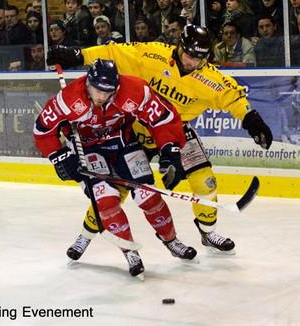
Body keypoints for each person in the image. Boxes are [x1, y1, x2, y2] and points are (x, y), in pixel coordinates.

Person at [46, 24, 273, 257]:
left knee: (205, 180)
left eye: (199, 58)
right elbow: (115, 53)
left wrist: (251, 119)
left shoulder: (210, 79)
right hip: (136, 130)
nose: (192, 62)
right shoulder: (153, 54)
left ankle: (208, 231)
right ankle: (86, 235)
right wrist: (79, 55)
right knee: (115, 189)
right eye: (189, 54)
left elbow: (232, 96)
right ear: (180, 46)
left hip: (175, 131)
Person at [33, 59, 197, 277]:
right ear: (87, 83)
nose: (101, 96)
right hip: (89, 149)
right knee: (107, 202)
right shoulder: (69, 99)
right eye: (96, 90)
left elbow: (164, 118)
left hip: (124, 142)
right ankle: (130, 251)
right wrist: (60, 156)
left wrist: (169, 148)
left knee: (148, 196)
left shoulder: (135, 90)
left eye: (108, 91)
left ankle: (171, 241)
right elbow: (42, 130)